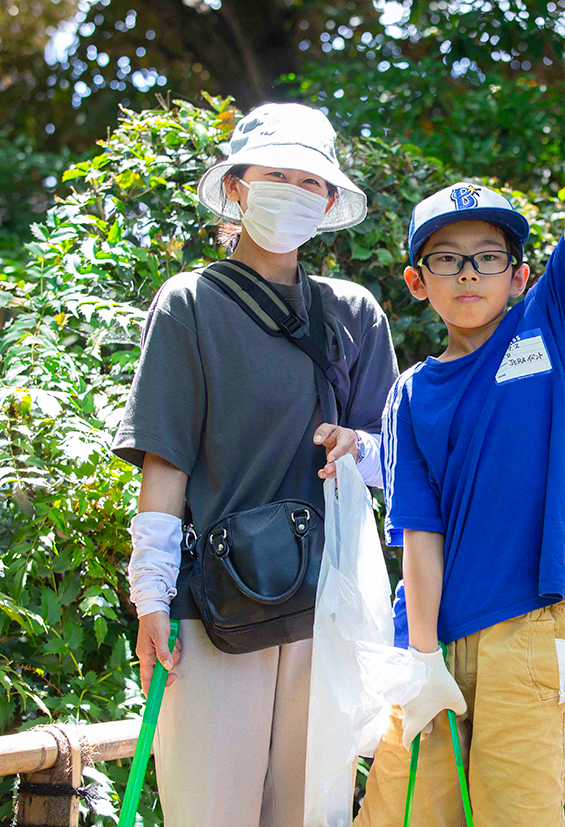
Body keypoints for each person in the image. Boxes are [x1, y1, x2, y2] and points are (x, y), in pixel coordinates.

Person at [352, 4, 565, 825]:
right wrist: (423, 655)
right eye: (446, 259)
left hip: (527, 639)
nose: (469, 273)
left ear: (519, 273)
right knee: (394, 814)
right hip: (426, 647)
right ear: (416, 281)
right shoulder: (408, 393)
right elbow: (417, 531)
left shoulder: (548, 330)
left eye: (488, 258)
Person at [113, 102, 399, 827]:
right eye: (277, 174)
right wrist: (149, 593)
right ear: (237, 184)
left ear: (330, 201)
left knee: (311, 816)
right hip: (213, 612)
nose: (294, 191)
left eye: (311, 181)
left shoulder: (355, 315)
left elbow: (398, 461)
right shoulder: (190, 306)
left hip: (323, 614)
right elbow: (165, 460)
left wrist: (358, 448)